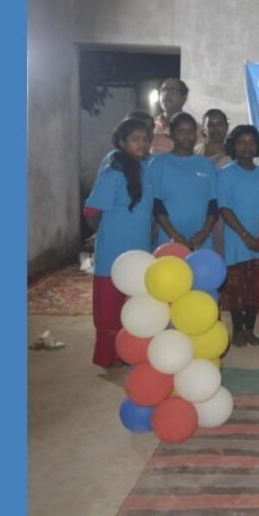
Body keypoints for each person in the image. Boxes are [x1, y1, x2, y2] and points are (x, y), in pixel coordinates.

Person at [83, 118, 153, 369]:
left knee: (134, 308)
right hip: (113, 252)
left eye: (145, 139)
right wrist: (103, 233)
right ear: (122, 142)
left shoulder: (146, 169)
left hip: (140, 251)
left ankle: (129, 353)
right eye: (135, 139)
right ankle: (107, 356)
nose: (142, 144)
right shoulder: (112, 172)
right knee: (109, 309)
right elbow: (91, 211)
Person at [217, 125, 259, 348]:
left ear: (258, 146)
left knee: (256, 288)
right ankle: (238, 329)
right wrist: (245, 235)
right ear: (233, 146)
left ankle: (250, 329)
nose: (246, 146)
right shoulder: (225, 174)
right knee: (236, 288)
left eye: (251, 142)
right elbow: (225, 208)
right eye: (241, 142)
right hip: (237, 240)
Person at [150, 113, 218, 250]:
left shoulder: (207, 165)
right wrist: (174, 235)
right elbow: (156, 204)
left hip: (201, 242)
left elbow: (213, 203)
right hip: (169, 240)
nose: (187, 136)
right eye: (181, 131)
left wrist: (204, 233)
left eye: (190, 131)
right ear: (172, 134)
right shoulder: (158, 164)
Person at [202, 109, 232, 257]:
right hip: (197, 214)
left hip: (224, 218)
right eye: (210, 124)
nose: (215, 129)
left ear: (227, 127)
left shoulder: (233, 157)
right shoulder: (194, 153)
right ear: (203, 129)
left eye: (219, 124)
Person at [150, 78, 195, 155]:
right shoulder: (150, 126)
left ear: (184, 97)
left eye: (173, 90)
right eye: (163, 90)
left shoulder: (195, 130)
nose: (166, 94)